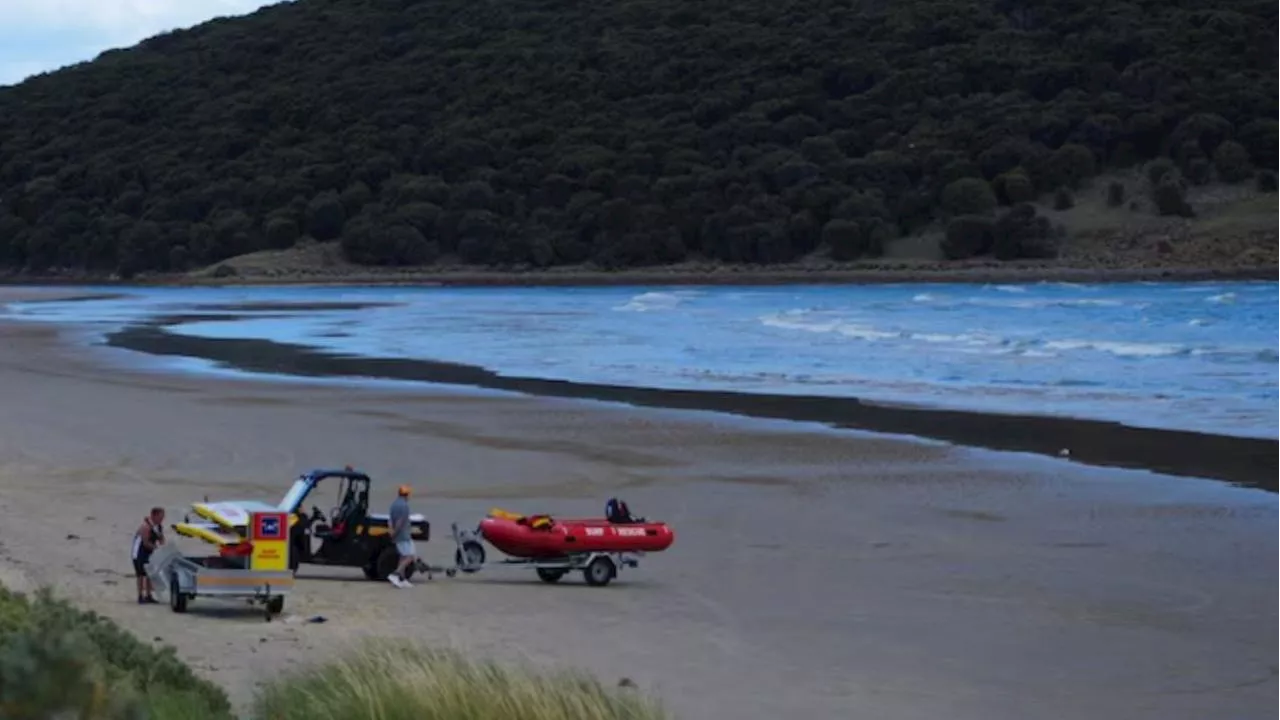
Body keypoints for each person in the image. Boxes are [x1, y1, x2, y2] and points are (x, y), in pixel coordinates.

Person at [131, 507, 166, 604]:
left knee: (149, 574)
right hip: (139, 552)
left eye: (163, 517)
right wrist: (157, 548)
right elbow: (145, 542)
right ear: (154, 516)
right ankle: (140, 596)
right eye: (160, 517)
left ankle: (148, 595)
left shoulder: (158, 527)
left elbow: (161, 539)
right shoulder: (145, 527)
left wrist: (163, 547)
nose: (162, 519)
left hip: (149, 551)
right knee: (140, 575)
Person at [387, 485, 416, 588]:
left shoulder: (394, 504)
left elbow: (390, 520)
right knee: (410, 556)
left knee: (402, 556)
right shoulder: (404, 506)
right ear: (406, 494)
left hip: (397, 535)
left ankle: (401, 579)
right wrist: (395, 533)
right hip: (403, 535)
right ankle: (395, 574)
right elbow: (400, 522)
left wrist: (391, 531)